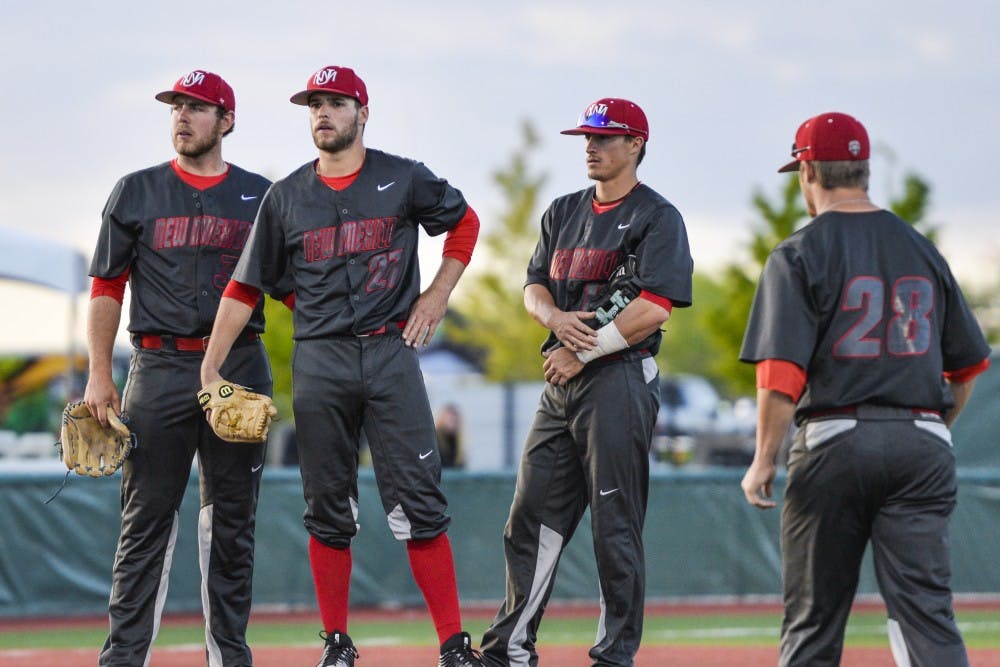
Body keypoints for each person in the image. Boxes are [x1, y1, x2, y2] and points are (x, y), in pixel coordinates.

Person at [199, 65, 485, 667]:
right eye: (313, 104)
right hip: (321, 358)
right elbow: (247, 285)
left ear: (363, 111)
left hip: (391, 351)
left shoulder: (402, 177)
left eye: (334, 102)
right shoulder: (286, 196)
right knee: (327, 507)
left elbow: (464, 221)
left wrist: (436, 294)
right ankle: (336, 642)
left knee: (421, 502)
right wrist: (209, 367)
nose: (322, 113)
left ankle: (454, 643)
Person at [739, 111, 992, 667]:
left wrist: (762, 459)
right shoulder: (923, 248)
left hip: (834, 439)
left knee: (814, 621)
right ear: (863, 169)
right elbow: (969, 367)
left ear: (809, 172)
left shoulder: (798, 253)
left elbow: (781, 372)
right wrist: (927, 428)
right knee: (926, 616)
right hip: (921, 442)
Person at [480, 98, 693, 667]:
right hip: (563, 384)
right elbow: (534, 286)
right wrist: (553, 321)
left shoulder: (657, 215)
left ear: (636, 145)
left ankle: (612, 656)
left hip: (618, 377)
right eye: (587, 138)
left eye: (605, 137)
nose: (591, 147)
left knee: (613, 524)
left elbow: (655, 306)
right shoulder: (563, 210)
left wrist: (585, 350)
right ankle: (510, 649)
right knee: (529, 517)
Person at [84, 70, 273, 666]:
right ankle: (124, 659)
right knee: (144, 525)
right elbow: (107, 285)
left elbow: (295, 287)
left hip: (239, 369)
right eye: (176, 108)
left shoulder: (262, 195)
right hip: (158, 365)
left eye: (197, 108)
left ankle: (228, 657)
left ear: (227, 121)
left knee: (231, 527)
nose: (182, 117)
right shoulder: (135, 191)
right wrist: (98, 373)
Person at [435, 403, 464, 469]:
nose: (452, 423)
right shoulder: (435, 440)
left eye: (454, 420)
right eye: (450, 419)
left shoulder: (458, 442)